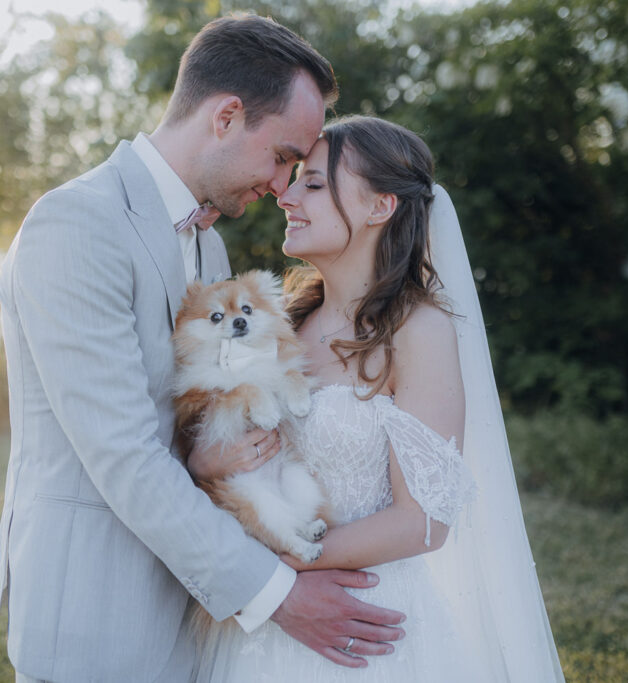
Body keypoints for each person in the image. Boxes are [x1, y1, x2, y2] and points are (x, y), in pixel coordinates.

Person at [0, 16, 406, 683]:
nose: (280, 186)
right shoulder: (76, 225)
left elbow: (185, 413)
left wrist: (208, 451)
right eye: (282, 157)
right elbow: (122, 453)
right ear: (227, 116)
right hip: (99, 624)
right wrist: (280, 595)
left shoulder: (207, 243)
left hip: (191, 617)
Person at [190, 116, 564, 681]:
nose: (284, 196)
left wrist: (272, 566)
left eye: (313, 184)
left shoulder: (418, 331)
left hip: (362, 627)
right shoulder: (279, 326)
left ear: (380, 207)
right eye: (294, 180)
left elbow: (423, 522)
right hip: (262, 619)